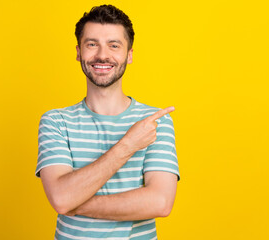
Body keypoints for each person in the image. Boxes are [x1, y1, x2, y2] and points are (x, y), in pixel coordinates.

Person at [35, 4, 179, 240]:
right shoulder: (55, 121)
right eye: (92, 44)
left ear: (129, 54)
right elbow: (61, 199)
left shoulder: (155, 122)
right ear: (79, 52)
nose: (102, 55)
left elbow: (160, 202)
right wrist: (128, 144)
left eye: (114, 45)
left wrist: (75, 202)